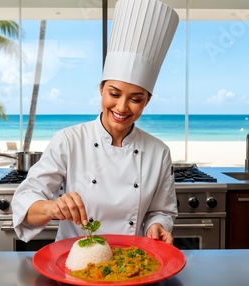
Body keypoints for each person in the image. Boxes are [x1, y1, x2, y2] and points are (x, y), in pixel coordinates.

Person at [12, 0, 179, 244]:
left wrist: (157, 225)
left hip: (133, 261)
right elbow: (26, 198)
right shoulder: (69, 140)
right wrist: (51, 207)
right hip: (75, 260)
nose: (121, 107)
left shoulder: (159, 152)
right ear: (101, 89)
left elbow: (161, 211)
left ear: (147, 101)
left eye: (135, 99)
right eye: (114, 94)